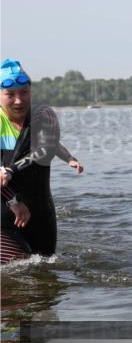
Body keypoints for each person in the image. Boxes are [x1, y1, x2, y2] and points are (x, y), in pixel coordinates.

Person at [0, 59, 78, 262]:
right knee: (14, 270)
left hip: (41, 212)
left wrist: (69, 158)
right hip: (5, 212)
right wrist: (14, 201)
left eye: (24, 92)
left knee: (44, 269)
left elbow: (46, 148)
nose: (18, 100)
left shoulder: (42, 115)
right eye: (10, 94)